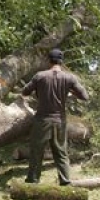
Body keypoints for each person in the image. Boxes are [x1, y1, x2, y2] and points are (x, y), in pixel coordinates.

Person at [21, 48, 89, 185]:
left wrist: (38, 89)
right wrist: (70, 90)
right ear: (61, 61)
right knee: (61, 152)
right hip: (59, 120)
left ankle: (33, 180)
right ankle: (65, 180)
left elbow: (25, 91)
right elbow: (84, 96)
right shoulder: (69, 77)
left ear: (48, 60)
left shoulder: (40, 76)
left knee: (36, 151)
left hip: (42, 119)